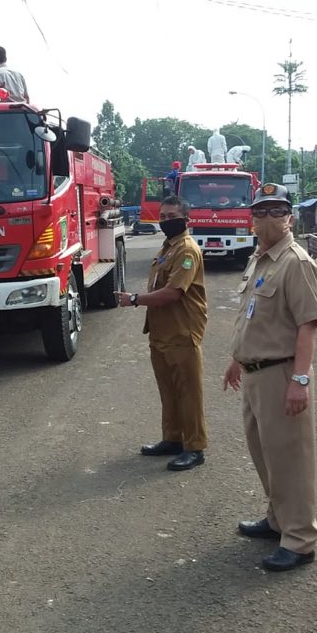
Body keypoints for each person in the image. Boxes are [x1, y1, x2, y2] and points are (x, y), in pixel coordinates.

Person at [223, 182, 317, 573]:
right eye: (260, 211)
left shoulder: (296, 263)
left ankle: (300, 539)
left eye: (277, 211)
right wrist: (237, 359)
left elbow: (307, 326)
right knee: (265, 454)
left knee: (290, 460)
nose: (268, 218)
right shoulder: (260, 259)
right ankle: (278, 519)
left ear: (290, 218)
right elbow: (252, 316)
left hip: (281, 373)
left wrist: (300, 381)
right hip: (254, 374)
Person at [117, 195, 209, 472]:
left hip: (182, 331)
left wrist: (135, 299)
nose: (166, 221)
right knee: (168, 390)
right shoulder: (167, 247)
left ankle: (194, 447)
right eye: (163, 216)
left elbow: (172, 293)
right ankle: (173, 439)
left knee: (188, 393)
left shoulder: (187, 251)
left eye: (172, 217)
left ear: (186, 219)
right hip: (161, 332)